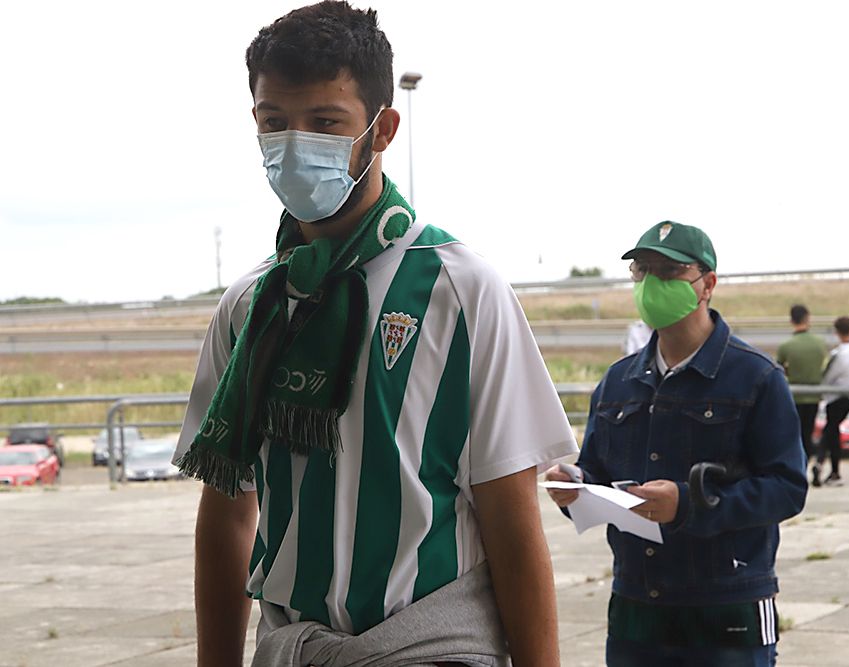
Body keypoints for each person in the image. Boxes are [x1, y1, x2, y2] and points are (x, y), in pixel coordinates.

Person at [171, 3, 578, 665]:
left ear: (382, 128)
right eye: (275, 123)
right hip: (295, 648)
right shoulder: (252, 306)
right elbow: (227, 512)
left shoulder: (461, 288)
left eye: (326, 123)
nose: (295, 145)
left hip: (432, 647)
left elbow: (512, 520)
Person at [544, 221, 807, 666]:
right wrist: (575, 487)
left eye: (668, 271)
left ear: (708, 285)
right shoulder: (618, 381)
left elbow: (787, 488)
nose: (651, 284)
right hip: (636, 604)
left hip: (727, 606)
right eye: (642, 270)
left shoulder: (757, 378)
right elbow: (599, 473)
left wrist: (687, 506)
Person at [776, 304, 827, 488]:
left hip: (794, 395)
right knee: (808, 432)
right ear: (808, 318)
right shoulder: (819, 344)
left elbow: (779, 368)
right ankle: (814, 462)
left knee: (794, 435)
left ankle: (800, 469)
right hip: (813, 396)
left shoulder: (786, 346)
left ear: (791, 320)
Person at [814, 316, 849, 486]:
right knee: (833, 431)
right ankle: (835, 471)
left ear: (837, 332)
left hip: (835, 396)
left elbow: (828, 376)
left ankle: (820, 461)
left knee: (829, 430)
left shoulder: (838, 354)